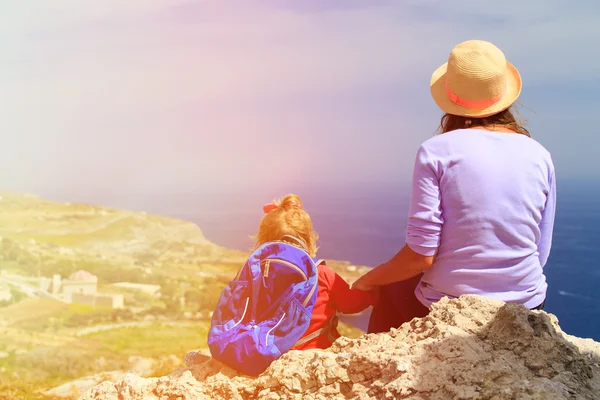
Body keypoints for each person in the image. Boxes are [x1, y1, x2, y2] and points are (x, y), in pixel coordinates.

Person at [351, 40, 556, 334]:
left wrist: (370, 280)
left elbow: (420, 257)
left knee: (390, 289)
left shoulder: (436, 151)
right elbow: (541, 250)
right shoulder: (540, 154)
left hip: (449, 308)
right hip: (527, 304)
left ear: (452, 98)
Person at [257, 194, 378, 349]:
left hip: (272, 352)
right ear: (308, 240)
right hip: (319, 350)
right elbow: (350, 304)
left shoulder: (259, 274)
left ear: (263, 241)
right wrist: (372, 294)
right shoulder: (321, 273)